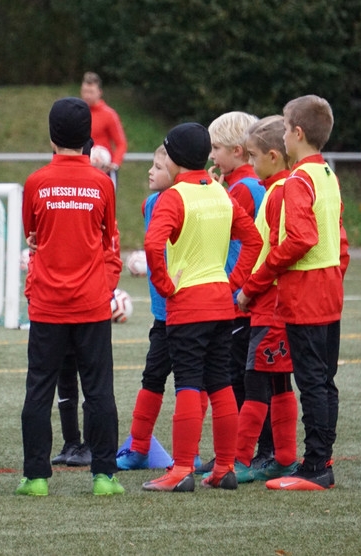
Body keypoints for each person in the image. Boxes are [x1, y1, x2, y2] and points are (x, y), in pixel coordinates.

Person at [141, 123, 262, 493]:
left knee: (189, 384)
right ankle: (225, 466)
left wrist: (166, 286)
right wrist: (232, 282)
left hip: (188, 305)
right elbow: (254, 240)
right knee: (220, 383)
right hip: (221, 304)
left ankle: (181, 470)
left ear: (174, 159)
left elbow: (152, 245)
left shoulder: (174, 197)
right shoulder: (222, 193)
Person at [237, 95, 349, 491]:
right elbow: (340, 241)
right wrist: (334, 274)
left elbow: (301, 238)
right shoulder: (327, 175)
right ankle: (321, 460)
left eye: (285, 128)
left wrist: (259, 280)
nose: (282, 134)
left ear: (297, 134)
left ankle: (315, 466)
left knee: (312, 382)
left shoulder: (298, 181)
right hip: (329, 290)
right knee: (324, 381)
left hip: (306, 295)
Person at [17, 97, 124, 497]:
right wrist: (105, 284)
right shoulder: (102, 183)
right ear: (88, 139)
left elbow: (32, 233)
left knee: (39, 388)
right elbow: (109, 238)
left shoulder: (36, 182)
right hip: (91, 303)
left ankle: (36, 477)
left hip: (47, 303)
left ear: (51, 137)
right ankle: (104, 476)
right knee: (99, 390)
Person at [230, 116, 299, 484]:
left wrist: (248, 290)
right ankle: (284, 458)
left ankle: (240, 460)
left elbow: (276, 255)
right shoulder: (278, 189)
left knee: (255, 382)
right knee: (279, 383)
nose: (250, 163)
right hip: (276, 307)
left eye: (253, 156)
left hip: (270, 308)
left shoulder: (279, 193)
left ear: (273, 156)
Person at [201, 111, 267, 475]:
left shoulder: (241, 189)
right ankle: (252, 452)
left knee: (233, 379)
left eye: (216, 148)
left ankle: (236, 453)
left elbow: (223, 234)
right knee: (247, 377)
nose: (211, 156)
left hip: (238, 297)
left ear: (237, 151)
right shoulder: (251, 184)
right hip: (248, 294)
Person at [115, 145, 177, 470]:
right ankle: (138, 447)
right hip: (162, 312)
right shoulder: (151, 204)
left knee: (195, 383)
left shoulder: (188, 201)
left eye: (158, 167)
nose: (150, 171)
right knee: (152, 376)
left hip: (190, 311)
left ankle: (192, 456)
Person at [80, 72, 127, 189]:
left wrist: (114, 164)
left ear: (99, 92)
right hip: (83, 169)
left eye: (91, 92)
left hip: (105, 171)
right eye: (85, 91)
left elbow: (121, 143)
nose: (87, 95)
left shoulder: (109, 115)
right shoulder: (78, 113)